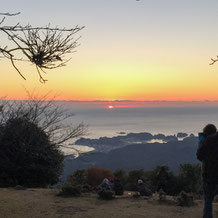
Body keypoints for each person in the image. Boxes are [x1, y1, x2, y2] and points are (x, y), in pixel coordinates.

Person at [197, 124, 218, 218]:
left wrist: (201, 142)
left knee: (208, 201)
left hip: (208, 175)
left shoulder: (207, 141)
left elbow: (199, 156)